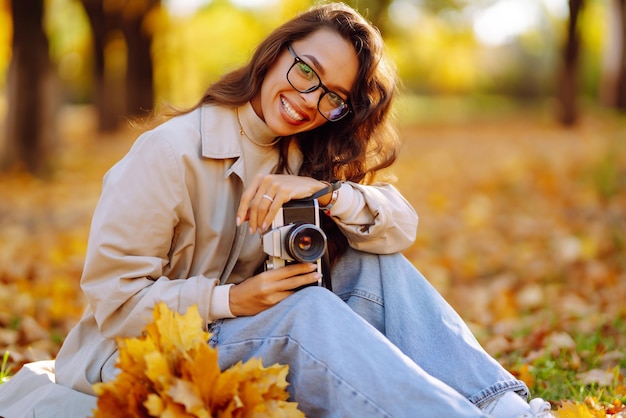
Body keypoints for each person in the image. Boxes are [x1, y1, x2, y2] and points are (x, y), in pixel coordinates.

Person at [0, 3, 554, 417]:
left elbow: (399, 229)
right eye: (307, 71)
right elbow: (114, 301)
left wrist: (325, 194)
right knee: (305, 312)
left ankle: (503, 406)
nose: (310, 100)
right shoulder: (169, 153)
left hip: (246, 329)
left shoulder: (305, 155)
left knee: (373, 262)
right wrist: (231, 300)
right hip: (143, 349)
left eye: (332, 96)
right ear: (275, 54)